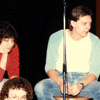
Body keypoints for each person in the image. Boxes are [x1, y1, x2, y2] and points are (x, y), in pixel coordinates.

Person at [34, 6, 100, 100]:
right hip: (61, 78)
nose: (88, 27)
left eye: (89, 24)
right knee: (40, 88)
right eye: (84, 23)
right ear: (73, 23)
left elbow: (95, 70)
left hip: (85, 81)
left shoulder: (94, 40)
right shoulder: (56, 37)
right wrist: (60, 82)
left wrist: (81, 84)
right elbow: (49, 67)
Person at [0, 20, 20, 92]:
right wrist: (4, 55)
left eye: (12, 40)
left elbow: (13, 68)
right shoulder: (7, 49)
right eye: (6, 40)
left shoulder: (14, 47)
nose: (10, 44)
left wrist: (15, 84)